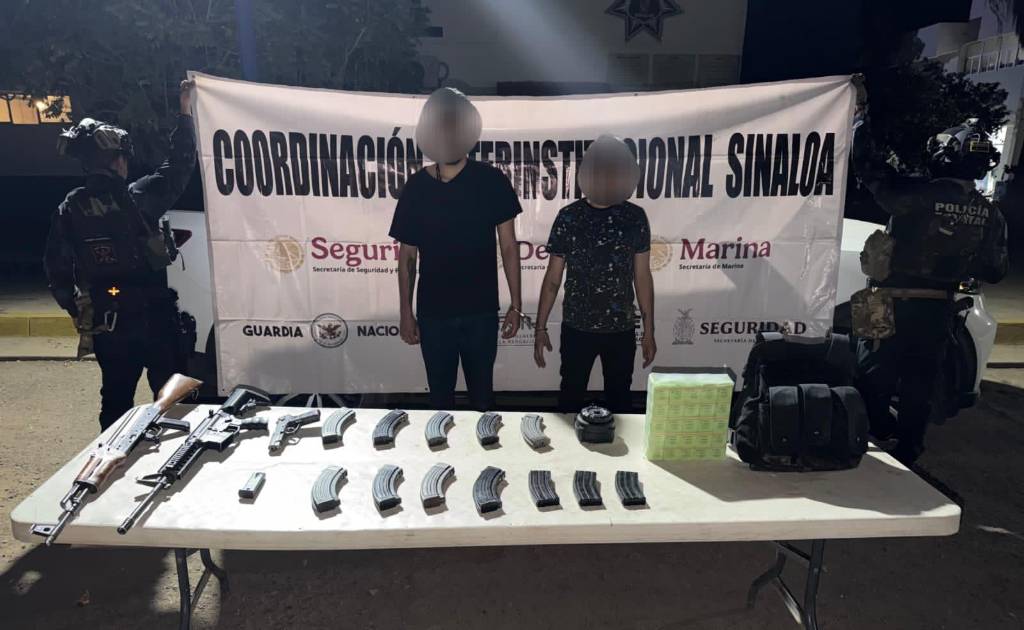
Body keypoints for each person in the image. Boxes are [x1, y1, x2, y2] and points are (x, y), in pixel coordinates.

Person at [44, 80, 197, 431]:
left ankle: (112, 462)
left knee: (115, 406)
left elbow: (56, 270)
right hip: (154, 319)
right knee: (173, 406)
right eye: (124, 157)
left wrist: (77, 309)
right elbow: (180, 166)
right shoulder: (139, 198)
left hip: (108, 322)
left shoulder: (70, 208)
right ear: (116, 160)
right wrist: (185, 113)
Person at [854, 117, 1009, 465]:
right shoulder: (990, 214)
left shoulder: (914, 195)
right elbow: (994, 270)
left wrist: (860, 123)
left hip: (883, 300)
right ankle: (908, 449)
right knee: (920, 383)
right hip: (938, 308)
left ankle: (873, 433)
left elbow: (868, 169)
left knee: (869, 376)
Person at [389, 87, 523, 411]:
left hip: (481, 311)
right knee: (440, 400)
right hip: (434, 314)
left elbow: (509, 246)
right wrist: (406, 312)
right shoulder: (417, 187)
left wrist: (516, 304)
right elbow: (407, 257)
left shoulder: (491, 181)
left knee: (483, 399)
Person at [533, 134, 657, 413]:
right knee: (570, 399)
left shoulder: (634, 218)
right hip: (577, 327)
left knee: (620, 403)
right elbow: (552, 279)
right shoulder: (569, 217)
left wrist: (649, 331)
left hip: (621, 329)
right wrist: (540, 328)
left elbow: (642, 278)